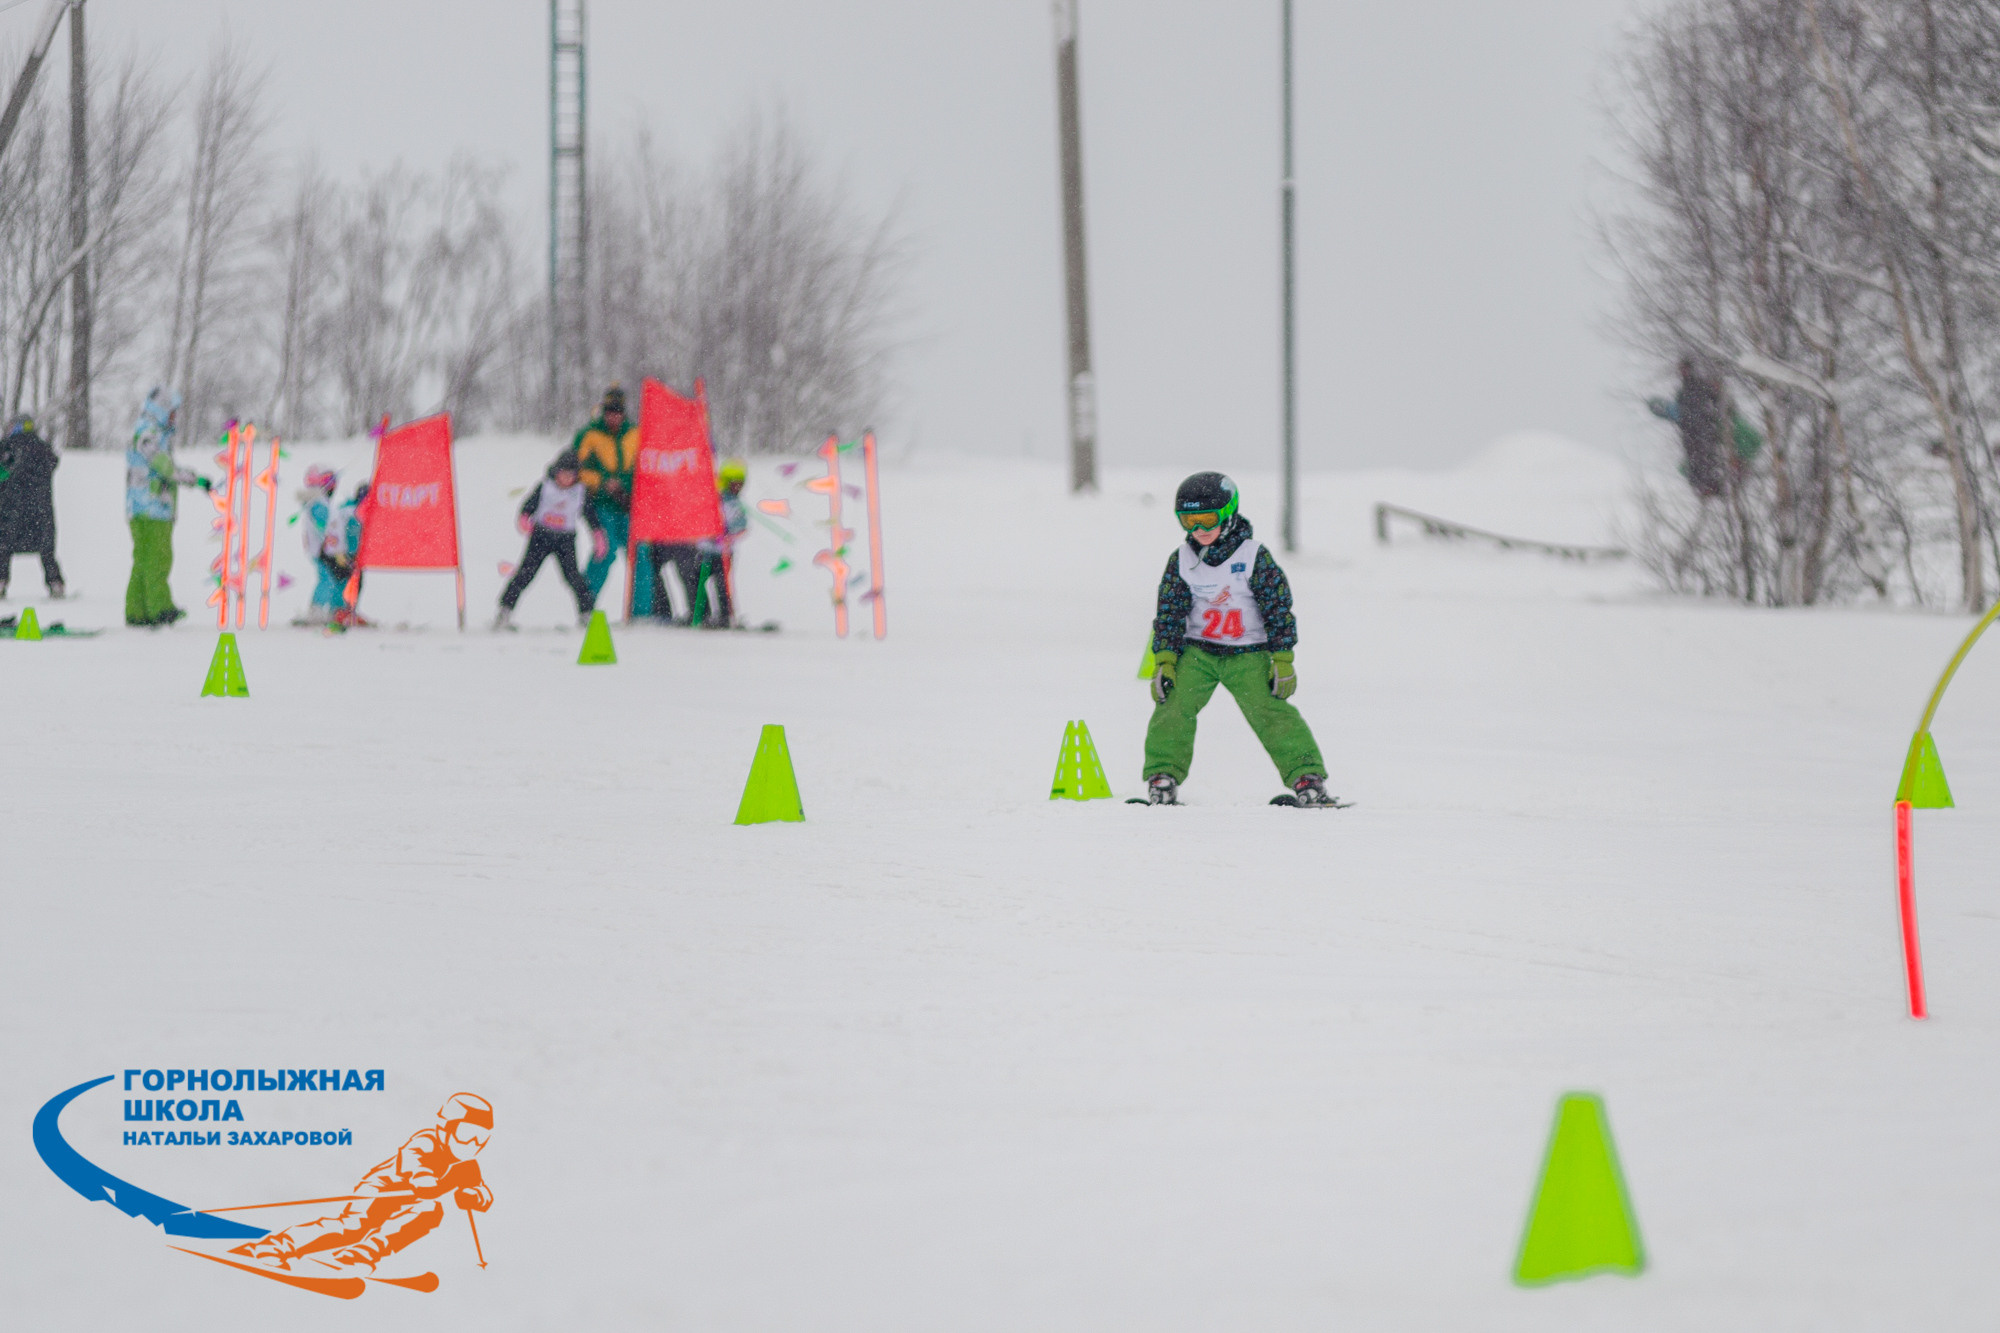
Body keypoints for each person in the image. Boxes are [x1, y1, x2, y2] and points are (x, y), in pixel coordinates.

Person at [1141, 472, 1336, 806]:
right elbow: (1169, 613)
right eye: (1188, 521)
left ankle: (1307, 779)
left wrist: (1283, 659)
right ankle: (1163, 778)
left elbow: (1278, 608)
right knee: (1173, 708)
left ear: (1228, 514)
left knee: (1271, 712)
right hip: (1198, 654)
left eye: (1207, 520)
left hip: (1248, 654)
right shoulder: (1183, 560)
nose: (1198, 530)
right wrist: (1166, 661)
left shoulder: (1253, 557)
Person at [230, 1093, 495, 1274]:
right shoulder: (426, 1142)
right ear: (445, 1128)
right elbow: (414, 1160)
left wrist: (476, 1196)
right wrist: (422, 1177)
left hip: (413, 1201)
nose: (473, 1145)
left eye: (481, 1139)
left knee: (430, 1211)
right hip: (382, 1189)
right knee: (353, 1226)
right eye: (466, 1134)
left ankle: (359, 1256)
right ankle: (270, 1247)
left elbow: (481, 1192)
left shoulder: (468, 1166)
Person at [574, 384, 663, 616]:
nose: (613, 416)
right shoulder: (589, 435)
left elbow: (647, 467)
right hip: (601, 504)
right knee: (606, 551)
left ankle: (641, 613)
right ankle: (586, 606)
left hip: (629, 506)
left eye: (617, 412)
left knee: (641, 555)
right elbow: (576, 469)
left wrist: (625, 483)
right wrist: (604, 482)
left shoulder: (636, 433)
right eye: (609, 411)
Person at [495, 450, 606, 629]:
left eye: (571, 475)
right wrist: (524, 520)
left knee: (573, 577)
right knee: (526, 573)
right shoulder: (545, 487)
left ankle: (587, 614)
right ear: (556, 472)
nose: (567, 479)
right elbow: (528, 506)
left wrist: (598, 536)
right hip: (541, 536)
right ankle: (504, 611)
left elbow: (591, 517)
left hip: (565, 540)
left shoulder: (580, 492)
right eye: (563, 474)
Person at [124, 388, 206, 627]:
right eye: (172, 411)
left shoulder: (150, 431)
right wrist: (189, 478)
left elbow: (164, 465)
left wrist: (189, 476)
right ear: (161, 409)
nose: (174, 417)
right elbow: (163, 466)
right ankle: (160, 608)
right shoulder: (148, 432)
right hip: (151, 508)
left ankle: (137, 610)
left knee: (143, 559)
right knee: (158, 558)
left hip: (143, 508)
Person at [1647, 356, 1762, 499]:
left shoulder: (1735, 432)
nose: (1682, 373)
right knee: (1699, 454)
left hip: (1708, 430)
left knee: (1700, 455)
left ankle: (1708, 484)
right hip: (1704, 432)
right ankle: (1708, 484)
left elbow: (1752, 440)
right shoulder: (1691, 394)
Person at [0, 412, 64, 600]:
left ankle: (1, 582)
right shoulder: (43, 449)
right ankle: (55, 583)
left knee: (3, 547)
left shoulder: (6, 448)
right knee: (46, 549)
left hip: (10, 510)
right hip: (40, 511)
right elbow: (53, 463)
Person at [689, 457, 750, 628]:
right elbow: (697, 518)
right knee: (696, 580)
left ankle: (725, 616)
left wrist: (728, 534)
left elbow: (742, 526)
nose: (737, 488)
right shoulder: (711, 498)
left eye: (740, 484)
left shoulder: (735, 504)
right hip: (705, 549)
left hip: (724, 551)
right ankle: (702, 614)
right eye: (734, 484)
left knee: (723, 584)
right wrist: (707, 533)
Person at [293, 466, 344, 626]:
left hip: (323, 548)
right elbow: (325, 526)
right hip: (322, 549)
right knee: (327, 579)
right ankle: (316, 610)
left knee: (333, 578)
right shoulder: (318, 504)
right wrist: (333, 545)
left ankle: (332, 610)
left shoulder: (318, 502)